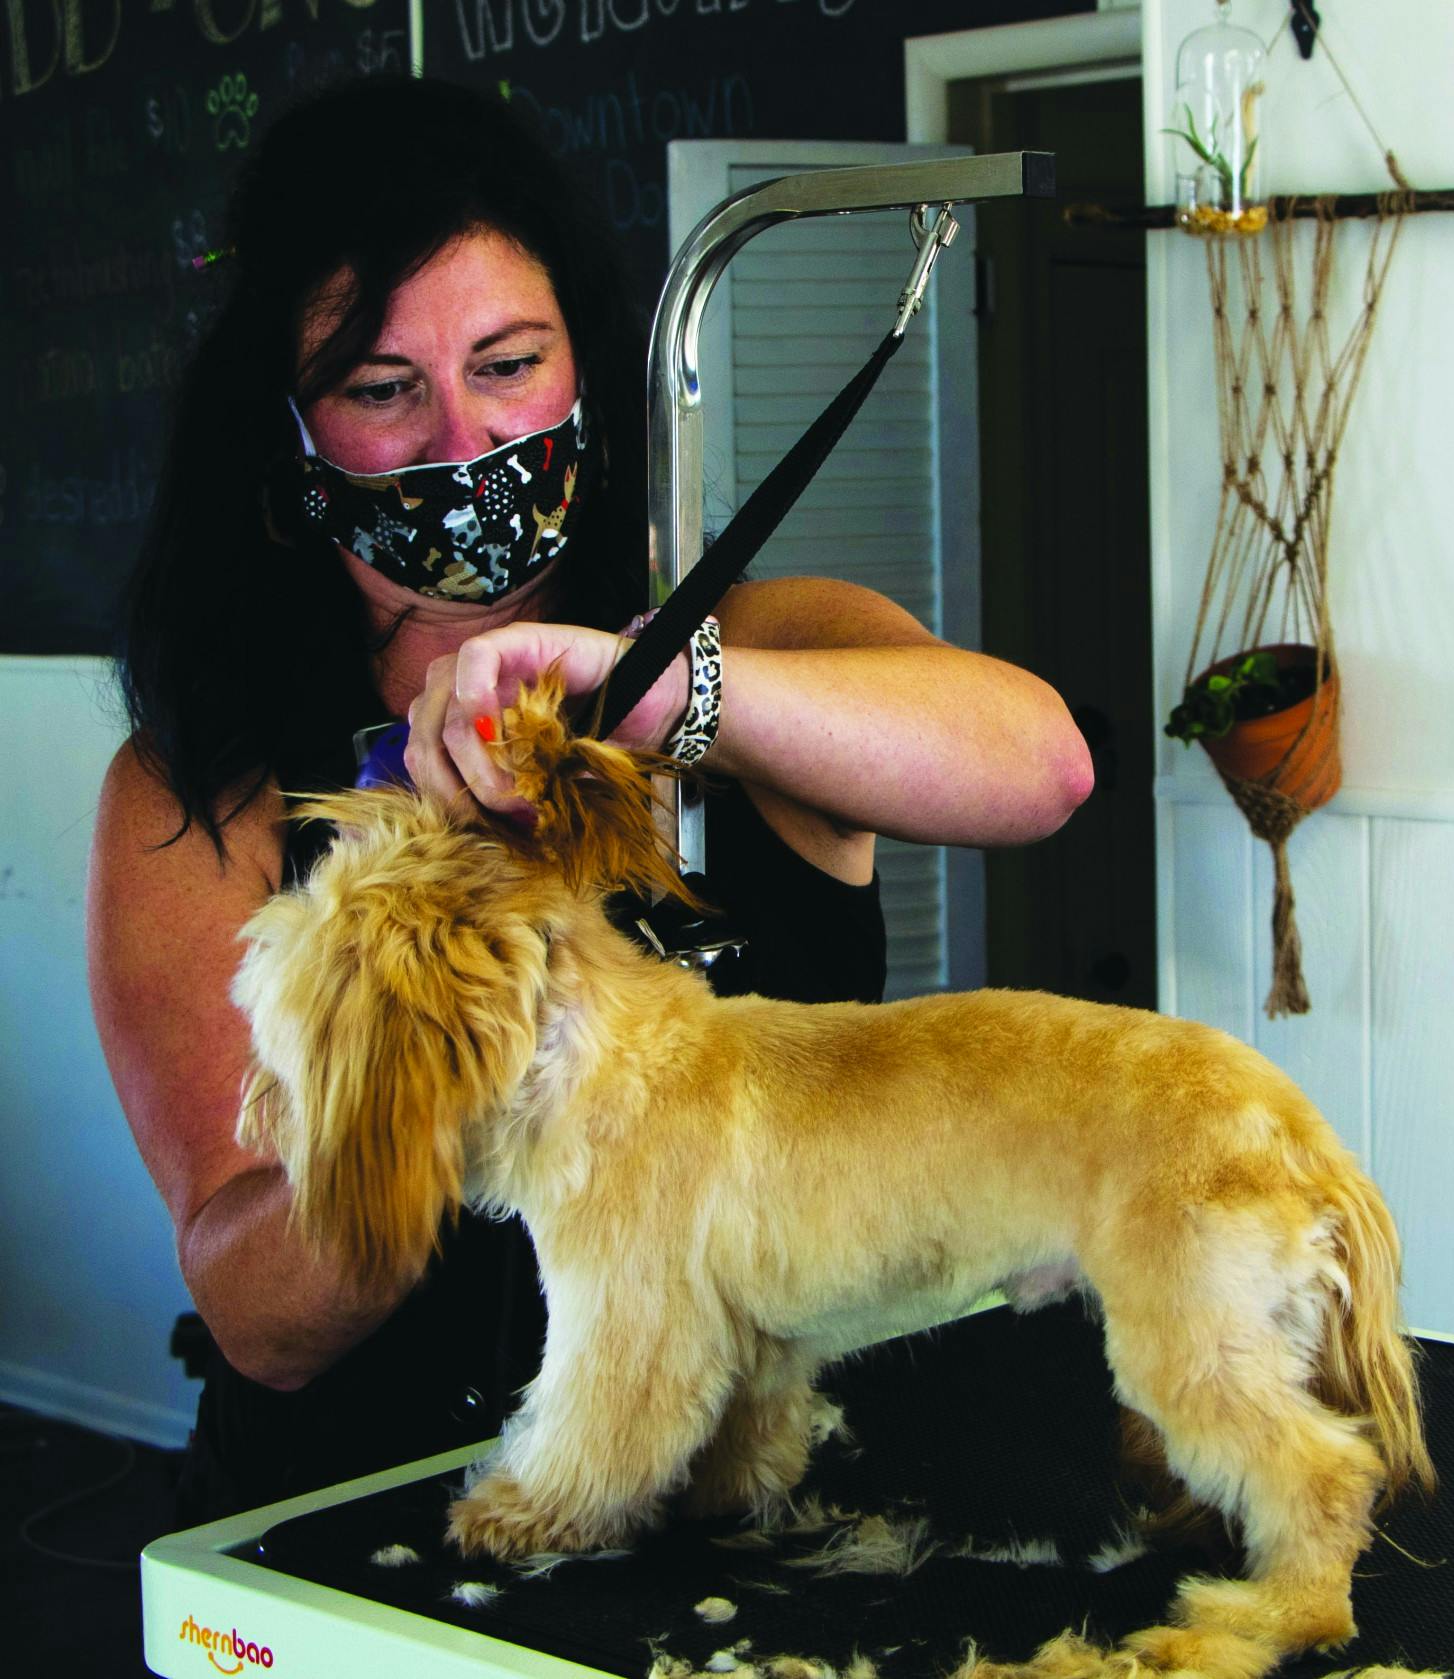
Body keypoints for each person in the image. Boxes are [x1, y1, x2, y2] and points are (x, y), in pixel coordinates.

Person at [84, 76, 1092, 1523]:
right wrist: (437, 1029)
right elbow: (261, 1318)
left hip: (741, 1493)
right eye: (382, 389)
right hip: (374, 1512)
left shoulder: (756, 645)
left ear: (585, 373)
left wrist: (662, 690)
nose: (462, 440)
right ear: (290, 433)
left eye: (508, 364)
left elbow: (1043, 766)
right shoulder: (201, 793)